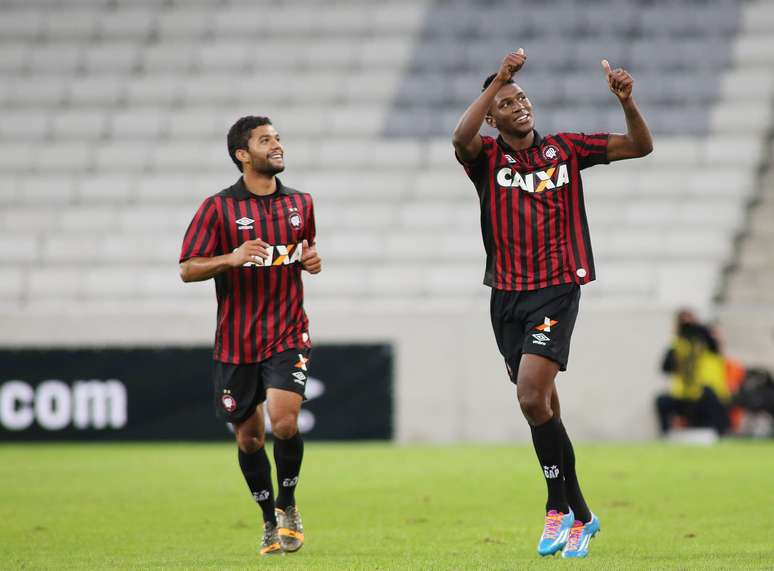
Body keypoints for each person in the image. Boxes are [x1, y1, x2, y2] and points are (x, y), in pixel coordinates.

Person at [452, 49, 653, 558]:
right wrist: (497, 78)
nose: (519, 105)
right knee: (543, 408)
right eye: (506, 102)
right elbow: (460, 139)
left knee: (529, 398)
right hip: (506, 297)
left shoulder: (566, 149)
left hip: (557, 288)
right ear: (492, 116)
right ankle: (583, 516)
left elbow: (640, 146)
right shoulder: (487, 160)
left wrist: (627, 103)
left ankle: (556, 505)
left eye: (522, 97)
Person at [179, 116, 322, 556]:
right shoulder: (217, 208)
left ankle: (288, 505)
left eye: (278, 138)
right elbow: (188, 268)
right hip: (236, 343)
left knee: (284, 423)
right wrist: (232, 257)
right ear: (243, 154)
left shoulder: (301, 202)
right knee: (249, 439)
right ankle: (266, 521)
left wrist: (310, 260)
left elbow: (304, 249)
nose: (277, 145)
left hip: (287, 332)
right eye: (265, 140)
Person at [657, 309, 731, 436]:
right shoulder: (678, 345)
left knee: (711, 398)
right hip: (684, 396)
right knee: (662, 400)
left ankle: (717, 434)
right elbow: (665, 368)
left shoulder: (706, 342)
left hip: (706, 395)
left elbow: (715, 348)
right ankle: (666, 435)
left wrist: (701, 332)